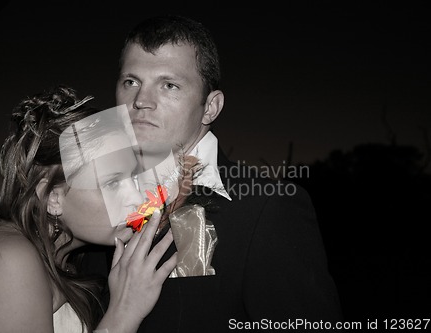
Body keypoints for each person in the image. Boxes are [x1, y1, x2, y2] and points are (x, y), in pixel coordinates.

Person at [84, 15, 344, 332]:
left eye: (169, 85)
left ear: (210, 107)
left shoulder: (267, 210)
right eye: (131, 82)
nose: (141, 101)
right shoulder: (92, 198)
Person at [0, 86, 178, 333]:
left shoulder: (66, 259)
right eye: (112, 182)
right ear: (52, 198)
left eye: (134, 179)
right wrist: (124, 313)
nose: (137, 198)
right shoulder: (5, 261)